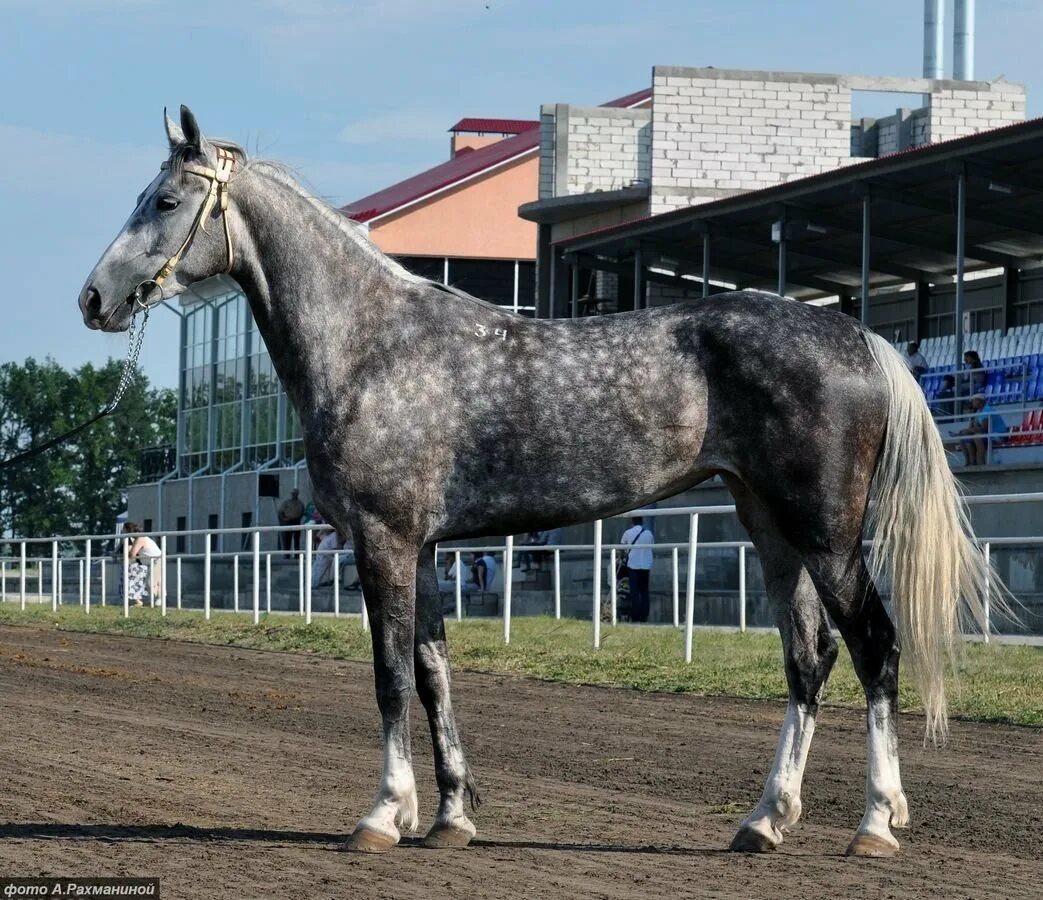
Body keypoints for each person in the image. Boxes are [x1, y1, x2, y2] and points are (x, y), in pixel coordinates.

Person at [955, 394, 1006, 466]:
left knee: (977, 437)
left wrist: (969, 431)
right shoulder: (979, 412)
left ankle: (981, 461)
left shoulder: (987, 410)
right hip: (987, 434)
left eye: (974, 401)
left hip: (997, 435)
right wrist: (964, 432)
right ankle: (970, 462)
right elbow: (975, 427)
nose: (972, 403)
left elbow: (984, 428)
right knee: (963, 438)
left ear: (980, 401)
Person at [620, 517, 654, 622]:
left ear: (632, 522)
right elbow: (652, 545)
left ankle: (635, 615)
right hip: (646, 565)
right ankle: (644, 615)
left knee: (634, 591)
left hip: (633, 565)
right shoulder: (649, 533)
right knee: (644, 591)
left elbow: (622, 547)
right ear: (642, 522)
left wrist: (623, 558)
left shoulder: (628, 533)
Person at [124, 522, 161, 608]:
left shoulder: (140, 539)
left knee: (151, 582)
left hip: (156, 559)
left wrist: (128, 550)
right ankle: (158, 600)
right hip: (153, 560)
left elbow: (132, 554)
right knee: (155, 582)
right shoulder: (141, 537)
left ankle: (159, 600)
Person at [278, 488, 305, 555]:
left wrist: (298, 518)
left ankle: (297, 554)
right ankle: (287, 554)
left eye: (295, 494)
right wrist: (283, 519)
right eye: (293, 494)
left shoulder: (300, 503)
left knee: (296, 539)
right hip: (288, 521)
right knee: (287, 539)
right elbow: (281, 512)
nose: (294, 495)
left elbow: (302, 512)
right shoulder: (287, 502)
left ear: (297, 494)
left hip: (296, 521)